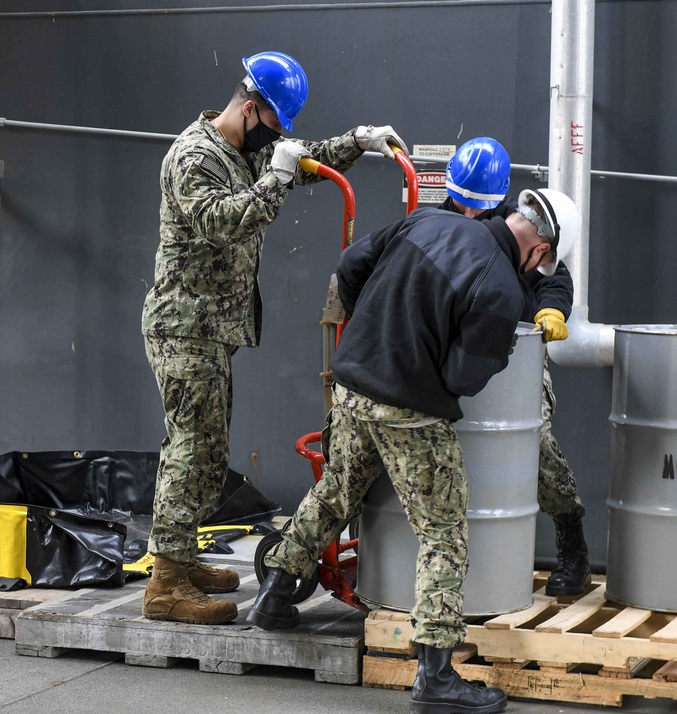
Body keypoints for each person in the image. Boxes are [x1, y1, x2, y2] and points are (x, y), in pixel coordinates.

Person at [249, 136, 581, 714]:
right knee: (444, 536)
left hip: (353, 384)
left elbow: (351, 267)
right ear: (539, 250)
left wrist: (376, 329)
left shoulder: (422, 222)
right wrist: (480, 349)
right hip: (410, 411)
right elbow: (463, 376)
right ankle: (436, 679)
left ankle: (275, 596)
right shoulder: (500, 285)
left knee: (335, 491)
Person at [140, 50, 408, 626]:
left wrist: (357, 142)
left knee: (206, 453)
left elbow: (299, 157)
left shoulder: (242, 146)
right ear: (252, 106)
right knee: (189, 453)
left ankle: (179, 561)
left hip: (208, 330)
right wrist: (279, 177)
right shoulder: (194, 156)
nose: (278, 138)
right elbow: (218, 222)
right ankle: (165, 585)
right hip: (183, 328)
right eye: (275, 125)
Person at [437, 137, 590, 597]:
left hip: (514, 356)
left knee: (536, 444)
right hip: (448, 356)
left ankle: (573, 549)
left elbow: (554, 276)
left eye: (478, 205)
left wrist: (553, 310)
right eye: (463, 203)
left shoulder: (515, 225)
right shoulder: (432, 222)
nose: (469, 214)